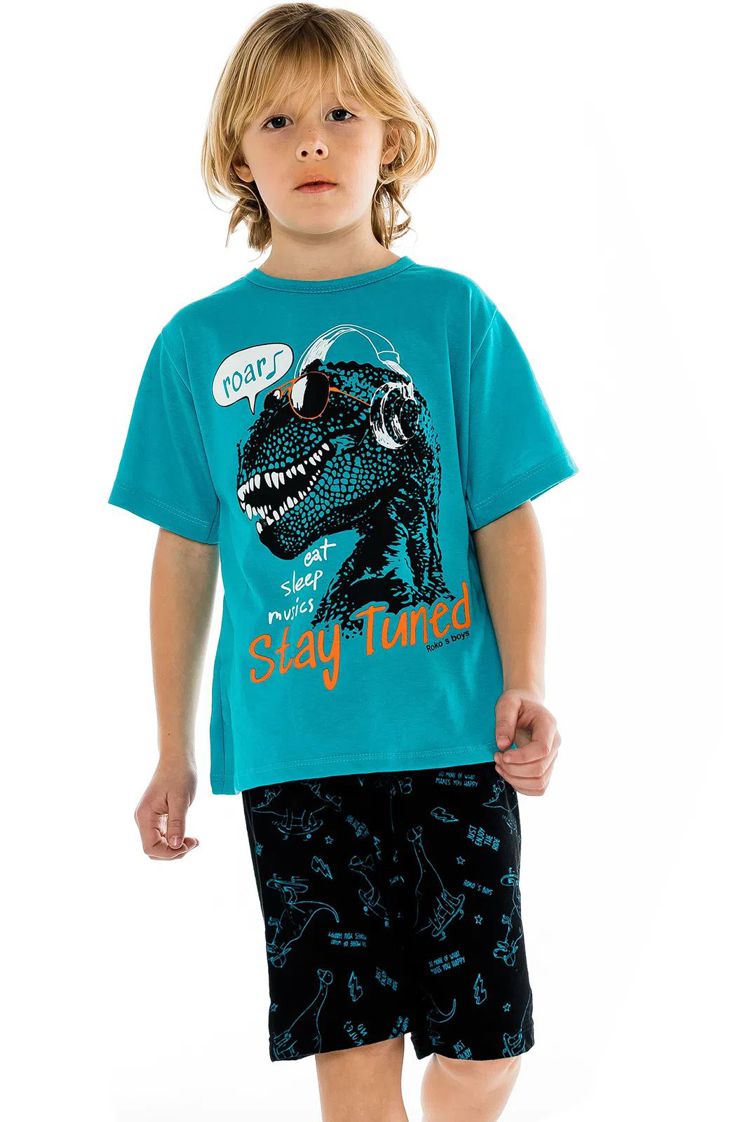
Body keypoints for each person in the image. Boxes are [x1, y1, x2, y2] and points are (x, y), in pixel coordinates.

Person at [108, 5, 579, 1120]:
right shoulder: (194, 343)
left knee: (484, 1051)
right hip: (293, 758)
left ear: (392, 141)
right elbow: (186, 553)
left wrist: (528, 679)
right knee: (355, 1061)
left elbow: (505, 515)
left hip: (453, 742)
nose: (311, 141)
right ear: (240, 156)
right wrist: (172, 748)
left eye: (339, 114)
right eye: (277, 121)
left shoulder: (453, 315)